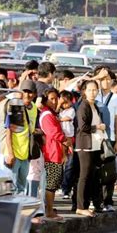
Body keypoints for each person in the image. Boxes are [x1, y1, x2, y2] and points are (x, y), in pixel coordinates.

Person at [93, 66, 117, 212]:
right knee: (95, 171)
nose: (105, 82)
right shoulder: (92, 95)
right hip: (93, 138)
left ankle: (108, 200)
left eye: (108, 79)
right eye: (102, 79)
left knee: (110, 172)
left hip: (110, 138)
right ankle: (96, 200)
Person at [75, 81, 106, 217]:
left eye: (95, 90)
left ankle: (86, 205)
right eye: (90, 90)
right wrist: (97, 128)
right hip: (85, 145)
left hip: (95, 144)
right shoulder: (84, 106)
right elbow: (83, 127)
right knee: (84, 176)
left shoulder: (95, 106)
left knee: (91, 177)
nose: (93, 93)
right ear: (84, 91)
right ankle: (80, 206)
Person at [39, 88, 69, 221]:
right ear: (45, 100)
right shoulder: (47, 115)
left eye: (56, 98)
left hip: (56, 151)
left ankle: (50, 209)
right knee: (51, 184)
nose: (54, 101)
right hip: (52, 152)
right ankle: (49, 211)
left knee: (54, 183)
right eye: (51, 98)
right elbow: (54, 132)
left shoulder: (52, 114)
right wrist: (65, 140)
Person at [58, 90, 76, 199]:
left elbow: (68, 118)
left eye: (66, 102)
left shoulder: (72, 110)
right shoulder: (59, 111)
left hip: (69, 138)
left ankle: (66, 189)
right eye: (62, 102)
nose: (65, 104)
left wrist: (58, 119)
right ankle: (62, 186)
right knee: (61, 163)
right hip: (60, 139)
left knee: (69, 164)